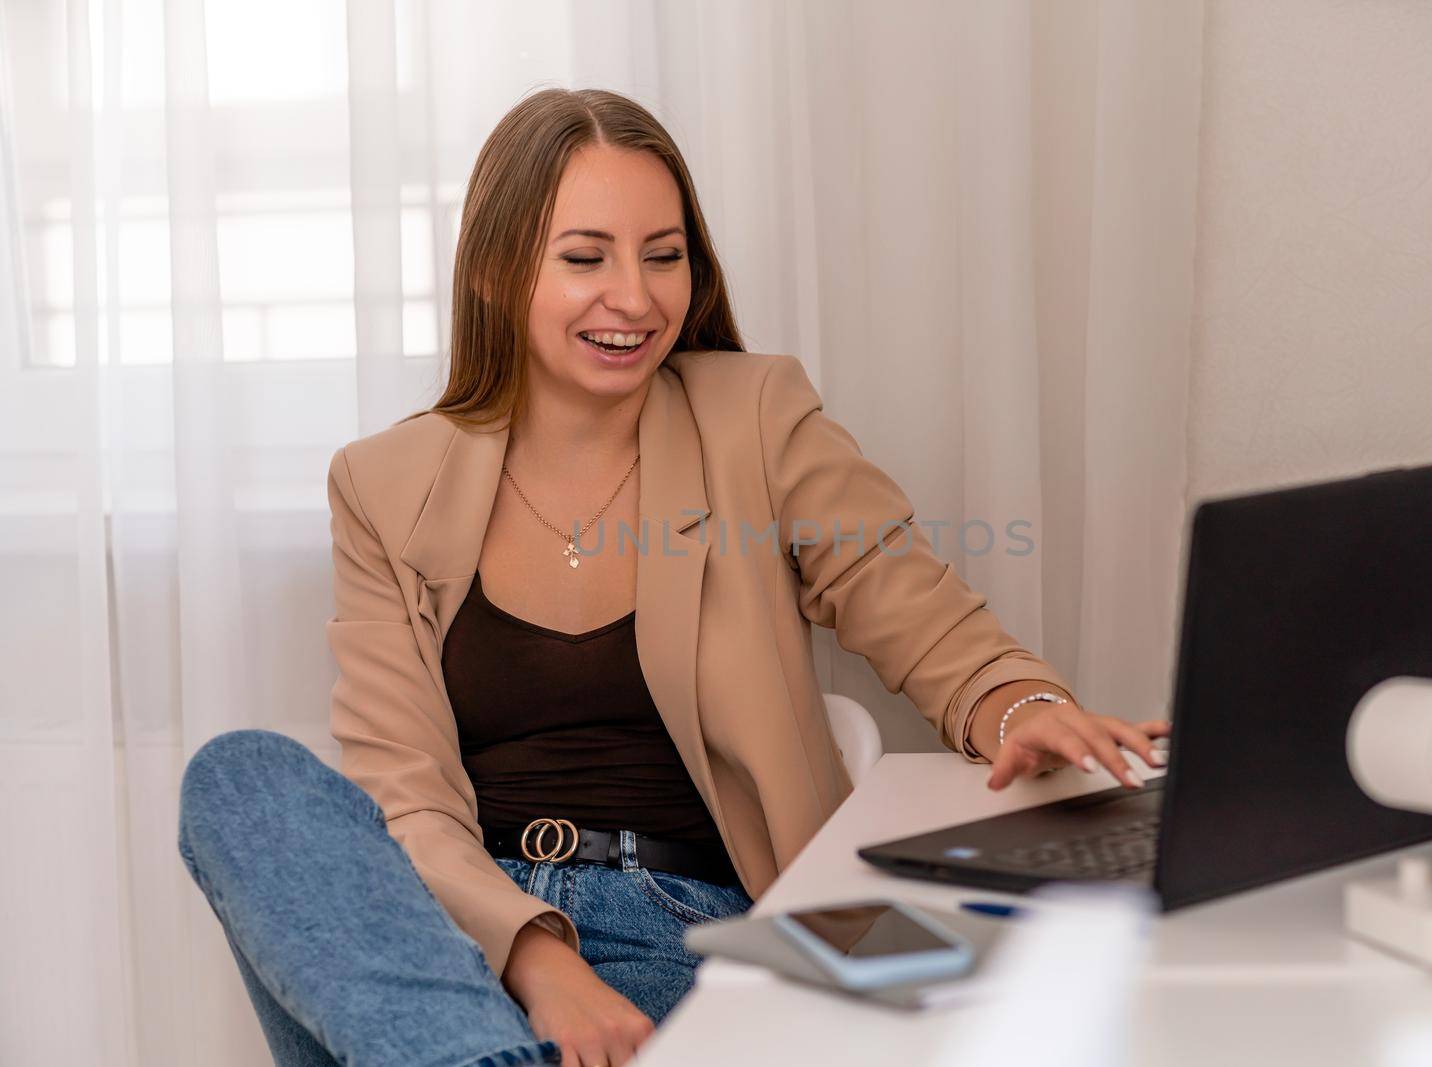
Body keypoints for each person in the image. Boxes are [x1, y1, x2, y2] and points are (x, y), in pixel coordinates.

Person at [176, 87, 1170, 1067]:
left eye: (664, 255)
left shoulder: (756, 418)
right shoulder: (384, 482)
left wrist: (1016, 701)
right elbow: (406, 785)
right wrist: (538, 960)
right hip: (454, 947)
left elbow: (916, 609)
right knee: (240, 776)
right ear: (492, 271)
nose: (637, 297)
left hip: (687, 932)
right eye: (585, 257)